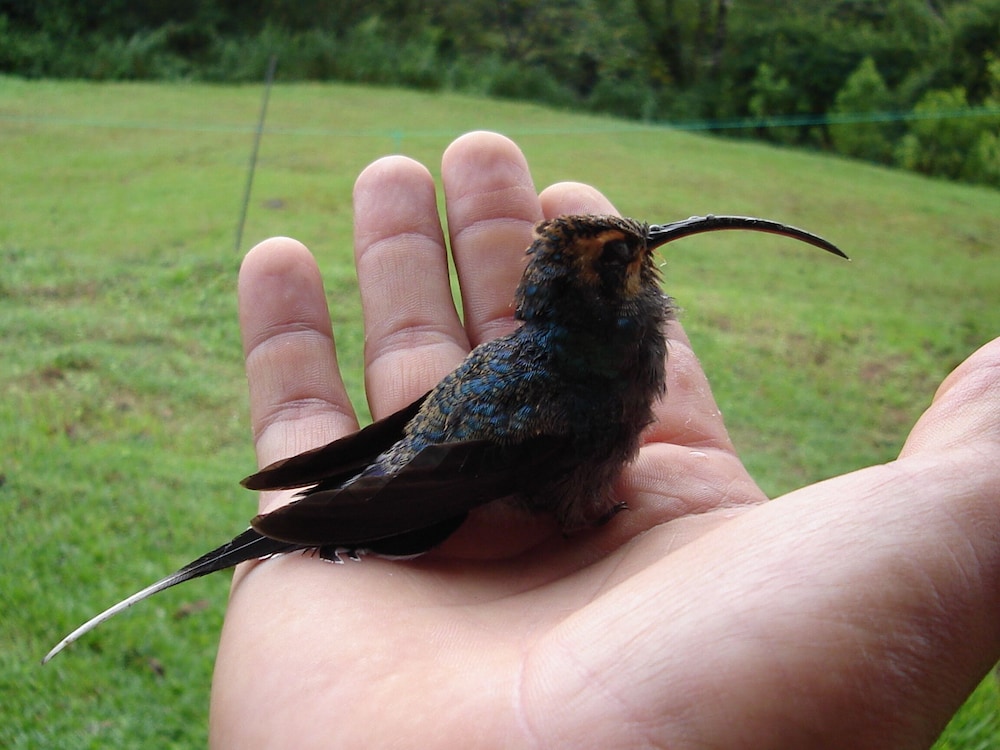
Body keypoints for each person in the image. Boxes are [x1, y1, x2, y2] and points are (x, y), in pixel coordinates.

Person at [210, 131, 1000, 748]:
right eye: (625, 255)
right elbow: (493, 451)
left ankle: (338, 506)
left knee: (377, 490)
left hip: (473, 422)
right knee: (387, 498)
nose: (649, 250)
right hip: (483, 454)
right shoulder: (595, 384)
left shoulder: (567, 351)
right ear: (606, 290)